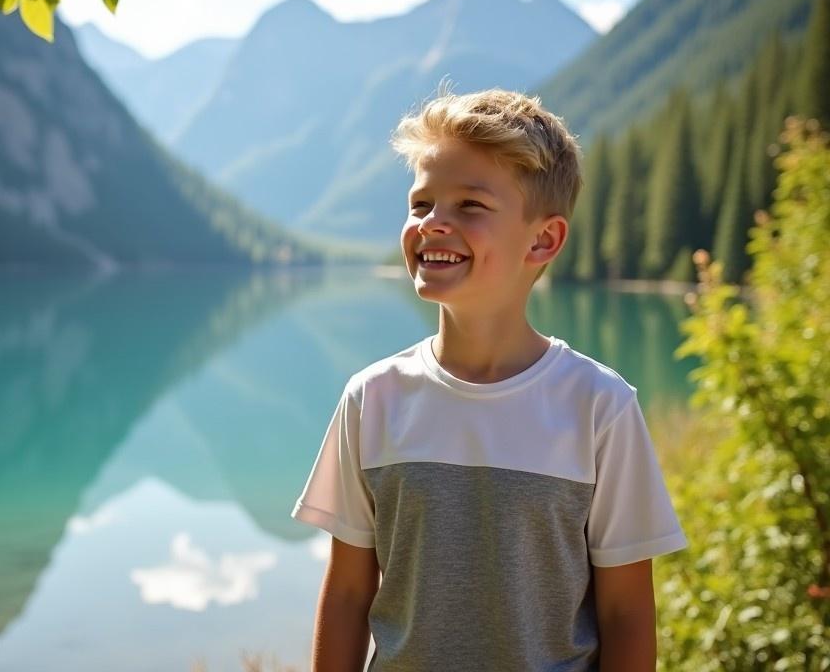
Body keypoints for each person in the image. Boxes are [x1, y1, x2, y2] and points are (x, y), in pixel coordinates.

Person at [289, 86, 688, 671]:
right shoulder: (373, 398)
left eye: (469, 206)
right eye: (421, 203)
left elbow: (626, 614)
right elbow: (349, 594)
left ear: (543, 239)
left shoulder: (599, 407)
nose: (433, 224)